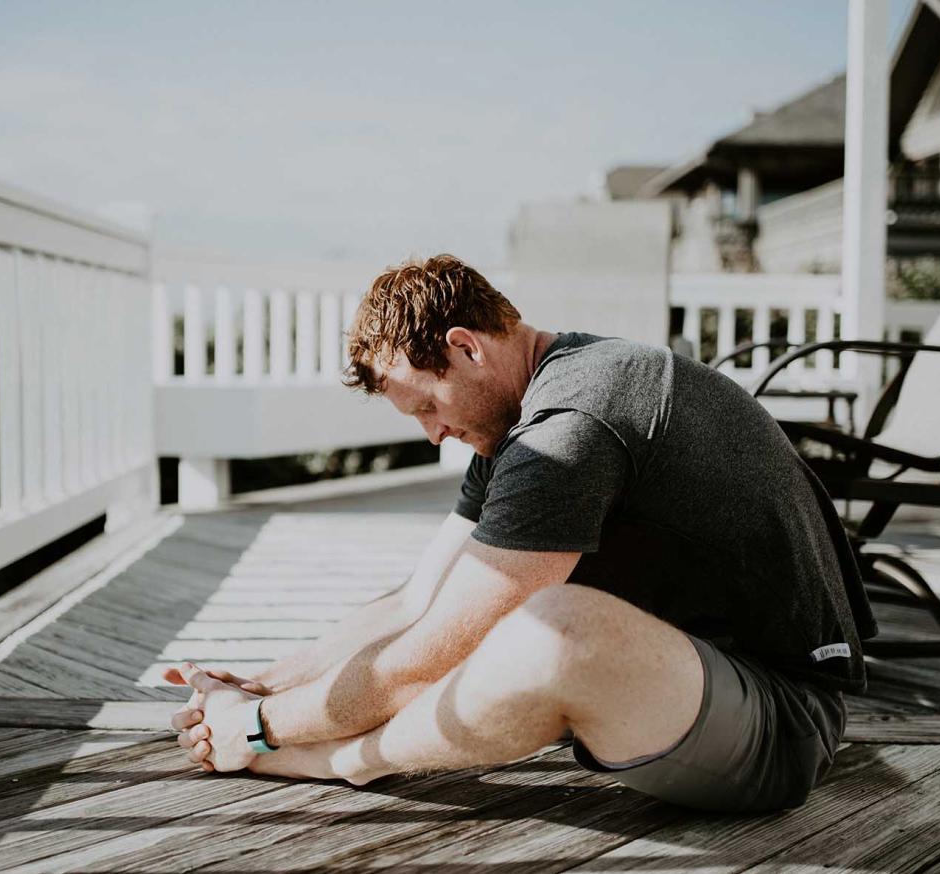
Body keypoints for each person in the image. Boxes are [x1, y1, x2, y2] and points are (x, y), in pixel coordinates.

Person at [166, 254, 876, 812]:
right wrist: (260, 686)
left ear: (465, 347)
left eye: (426, 405)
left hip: (780, 723)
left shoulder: (571, 427)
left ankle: (345, 762)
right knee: (484, 614)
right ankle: (309, 742)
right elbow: (418, 603)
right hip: (682, 685)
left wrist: (264, 731)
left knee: (549, 630)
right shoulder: (522, 419)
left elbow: (430, 654)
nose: (433, 433)